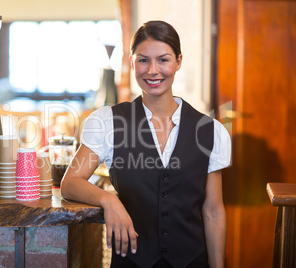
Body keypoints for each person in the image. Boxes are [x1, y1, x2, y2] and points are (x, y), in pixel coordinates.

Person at [60, 20, 231, 268]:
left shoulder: (210, 130)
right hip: (131, 261)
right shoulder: (108, 122)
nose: (153, 70)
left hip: (192, 261)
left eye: (163, 59)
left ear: (178, 62)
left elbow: (213, 210)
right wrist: (110, 201)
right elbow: (70, 183)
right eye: (143, 60)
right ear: (131, 63)